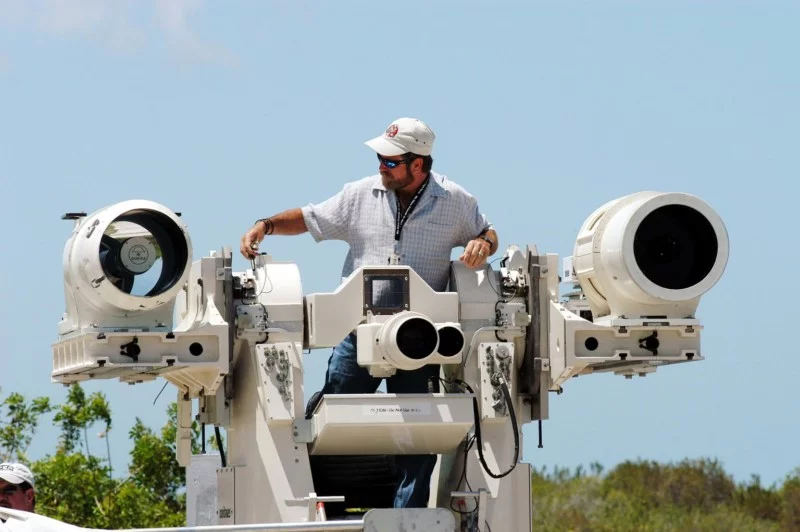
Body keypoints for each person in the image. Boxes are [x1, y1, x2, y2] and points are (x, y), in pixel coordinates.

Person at [240, 117, 498, 509]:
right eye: (380, 158)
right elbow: (311, 219)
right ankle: (330, 510)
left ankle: (405, 519)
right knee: (330, 418)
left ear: (419, 164)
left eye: (391, 161)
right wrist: (266, 225)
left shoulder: (456, 201)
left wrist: (483, 244)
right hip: (356, 331)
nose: (382, 166)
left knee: (421, 432)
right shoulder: (359, 194)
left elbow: (487, 232)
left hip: (419, 340)